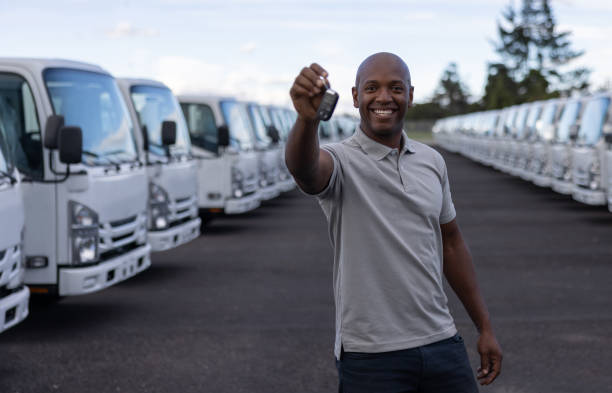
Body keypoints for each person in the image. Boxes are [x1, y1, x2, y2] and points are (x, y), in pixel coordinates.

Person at [285, 53, 502, 393]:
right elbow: (306, 171)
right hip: (371, 356)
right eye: (371, 88)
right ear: (356, 97)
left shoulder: (432, 161)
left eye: (395, 88)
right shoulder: (340, 160)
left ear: (411, 95)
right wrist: (307, 122)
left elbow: (452, 243)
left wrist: (484, 327)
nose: (384, 97)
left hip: (442, 341)